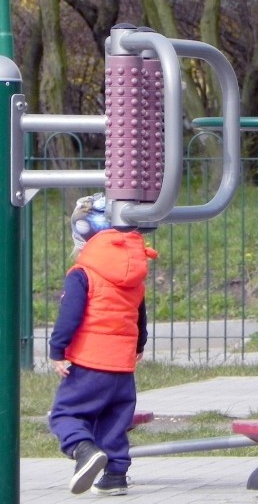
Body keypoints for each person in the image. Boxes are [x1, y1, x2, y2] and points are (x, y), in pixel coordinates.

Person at [48, 193, 158, 496]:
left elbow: (70, 315)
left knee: (65, 414)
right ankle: (115, 476)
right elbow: (139, 314)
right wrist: (138, 347)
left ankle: (83, 450)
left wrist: (58, 349)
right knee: (114, 419)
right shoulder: (134, 275)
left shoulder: (83, 273)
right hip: (122, 366)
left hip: (89, 361)